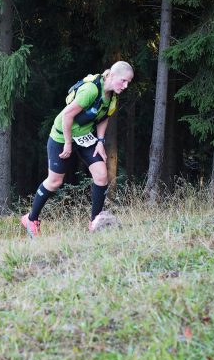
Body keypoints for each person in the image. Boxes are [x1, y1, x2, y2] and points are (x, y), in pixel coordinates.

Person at [21, 61, 134, 237]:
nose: (126, 86)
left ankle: (96, 223)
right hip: (62, 135)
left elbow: (105, 117)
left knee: (101, 175)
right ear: (111, 75)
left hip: (84, 136)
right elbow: (67, 115)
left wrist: (100, 140)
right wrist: (67, 143)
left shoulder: (113, 96)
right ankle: (31, 218)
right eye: (123, 81)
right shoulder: (91, 90)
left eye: (128, 82)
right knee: (55, 181)